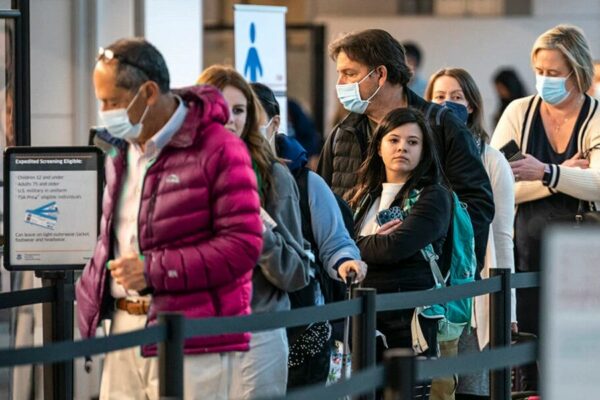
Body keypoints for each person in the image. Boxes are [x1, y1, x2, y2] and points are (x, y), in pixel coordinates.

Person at [76, 38, 264, 400]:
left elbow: (243, 245)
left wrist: (154, 270)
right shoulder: (120, 151)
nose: (103, 110)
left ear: (148, 92)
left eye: (112, 101)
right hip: (125, 326)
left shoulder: (220, 148)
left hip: (193, 337)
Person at [317, 29, 494, 274]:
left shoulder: (441, 126)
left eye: (349, 73)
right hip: (355, 280)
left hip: (425, 285)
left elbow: (477, 204)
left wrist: (427, 244)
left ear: (380, 74)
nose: (340, 84)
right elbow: (323, 208)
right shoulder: (343, 134)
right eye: (340, 74)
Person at [491, 24, 600, 390]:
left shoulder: (596, 116)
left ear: (578, 72)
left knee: (582, 344)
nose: (543, 80)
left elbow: (599, 183)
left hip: (585, 252)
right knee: (531, 345)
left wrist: (540, 173)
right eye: (539, 72)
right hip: (528, 250)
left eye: (553, 73)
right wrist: (560, 174)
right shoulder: (518, 113)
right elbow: (495, 188)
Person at [197, 65, 310, 399]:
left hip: (256, 330)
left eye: (239, 110)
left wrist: (255, 227)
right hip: (194, 328)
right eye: (219, 107)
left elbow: (296, 271)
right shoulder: (176, 171)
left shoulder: (273, 175)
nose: (228, 118)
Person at [250, 81, 367, 387]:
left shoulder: (306, 182)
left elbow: (335, 240)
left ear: (274, 124)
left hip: (302, 320)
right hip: (241, 318)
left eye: (251, 115)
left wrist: (346, 263)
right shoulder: (217, 178)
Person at [425, 67, 517, 400]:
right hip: (432, 287)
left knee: (471, 387)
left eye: (456, 97)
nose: (447, 104)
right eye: (439, 98)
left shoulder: (491, 160)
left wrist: (509, 308)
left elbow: (502, 235)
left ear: (472, 105)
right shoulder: (422, 154)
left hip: (475, 289)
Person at [350, 107, 452, 399]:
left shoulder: (434, 196)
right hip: (362, 319)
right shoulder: (363, 195)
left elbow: (394, 247)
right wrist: (368, 242)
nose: (402, 148)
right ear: (379, 146)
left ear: (424, 150)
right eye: (394, 140)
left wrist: (355, 245)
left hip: (408, 323)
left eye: (412, 142)